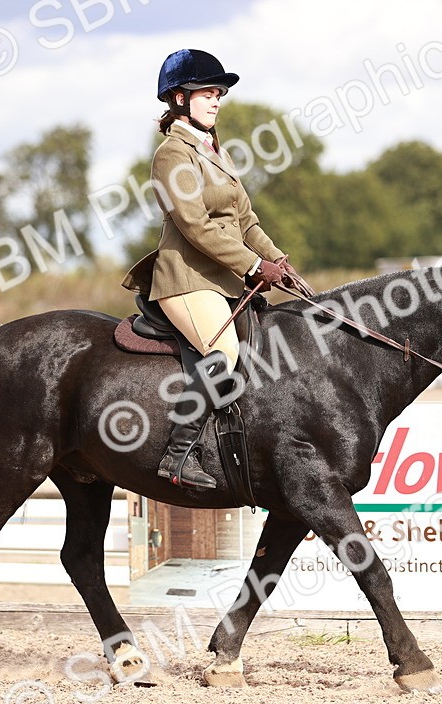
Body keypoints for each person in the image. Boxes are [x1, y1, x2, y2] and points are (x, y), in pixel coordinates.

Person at [122, 48, 296, 491]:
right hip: (185, 279)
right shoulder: (171, 155)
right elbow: (195, 225)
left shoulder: (216, 151)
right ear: (180, 99)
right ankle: (178, 456)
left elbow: (246, 222)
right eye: (207, 93)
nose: (216, 100)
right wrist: (253, 264)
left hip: (222, 279)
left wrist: (275, 260)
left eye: (218, 93)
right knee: (225, 354)